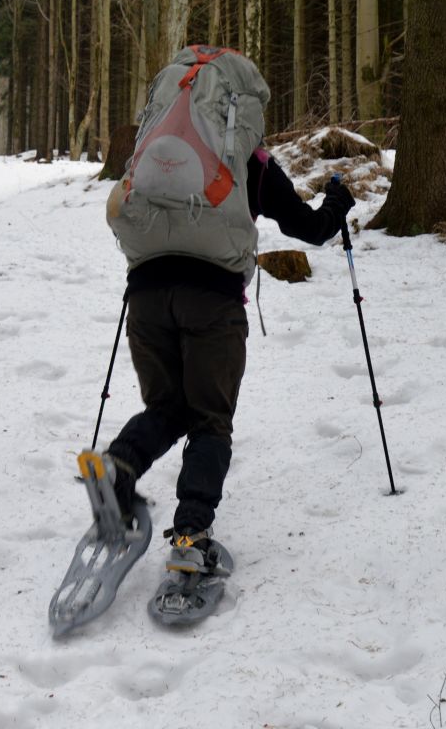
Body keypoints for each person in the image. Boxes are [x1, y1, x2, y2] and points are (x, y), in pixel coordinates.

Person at [105, 141, 355, 574]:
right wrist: (337, 202)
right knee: (209, 420)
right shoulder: (248, 160)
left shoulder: (159, 147)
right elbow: (310, 228)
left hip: (145, 294)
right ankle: (191, 535)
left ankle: (120, 464)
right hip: (211, 299)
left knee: (167, 408)